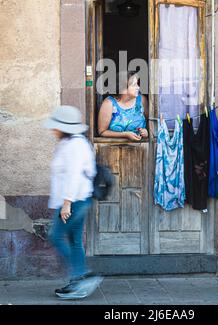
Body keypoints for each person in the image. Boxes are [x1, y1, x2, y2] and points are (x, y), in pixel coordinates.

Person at [44, 105, 102, 300]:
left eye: (56, 126)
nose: (53, 130)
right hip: (78, 199)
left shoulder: (75, 146)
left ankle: (82, 275)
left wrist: (66, 203)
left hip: (73, 201)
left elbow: (74, 175)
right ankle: (78, 281)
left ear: (64, 128)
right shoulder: (71, 142)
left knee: (56, 237)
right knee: (75, 241)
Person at [98, 70, 149, 141]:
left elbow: (150, 124)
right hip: (114, 148)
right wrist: (125, 135)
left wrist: (146, 132)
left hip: (141, 148)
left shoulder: (142, 100)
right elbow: (102, 132)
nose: (138, 87)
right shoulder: (109, 103)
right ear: (123, 88)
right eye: (134, 85)